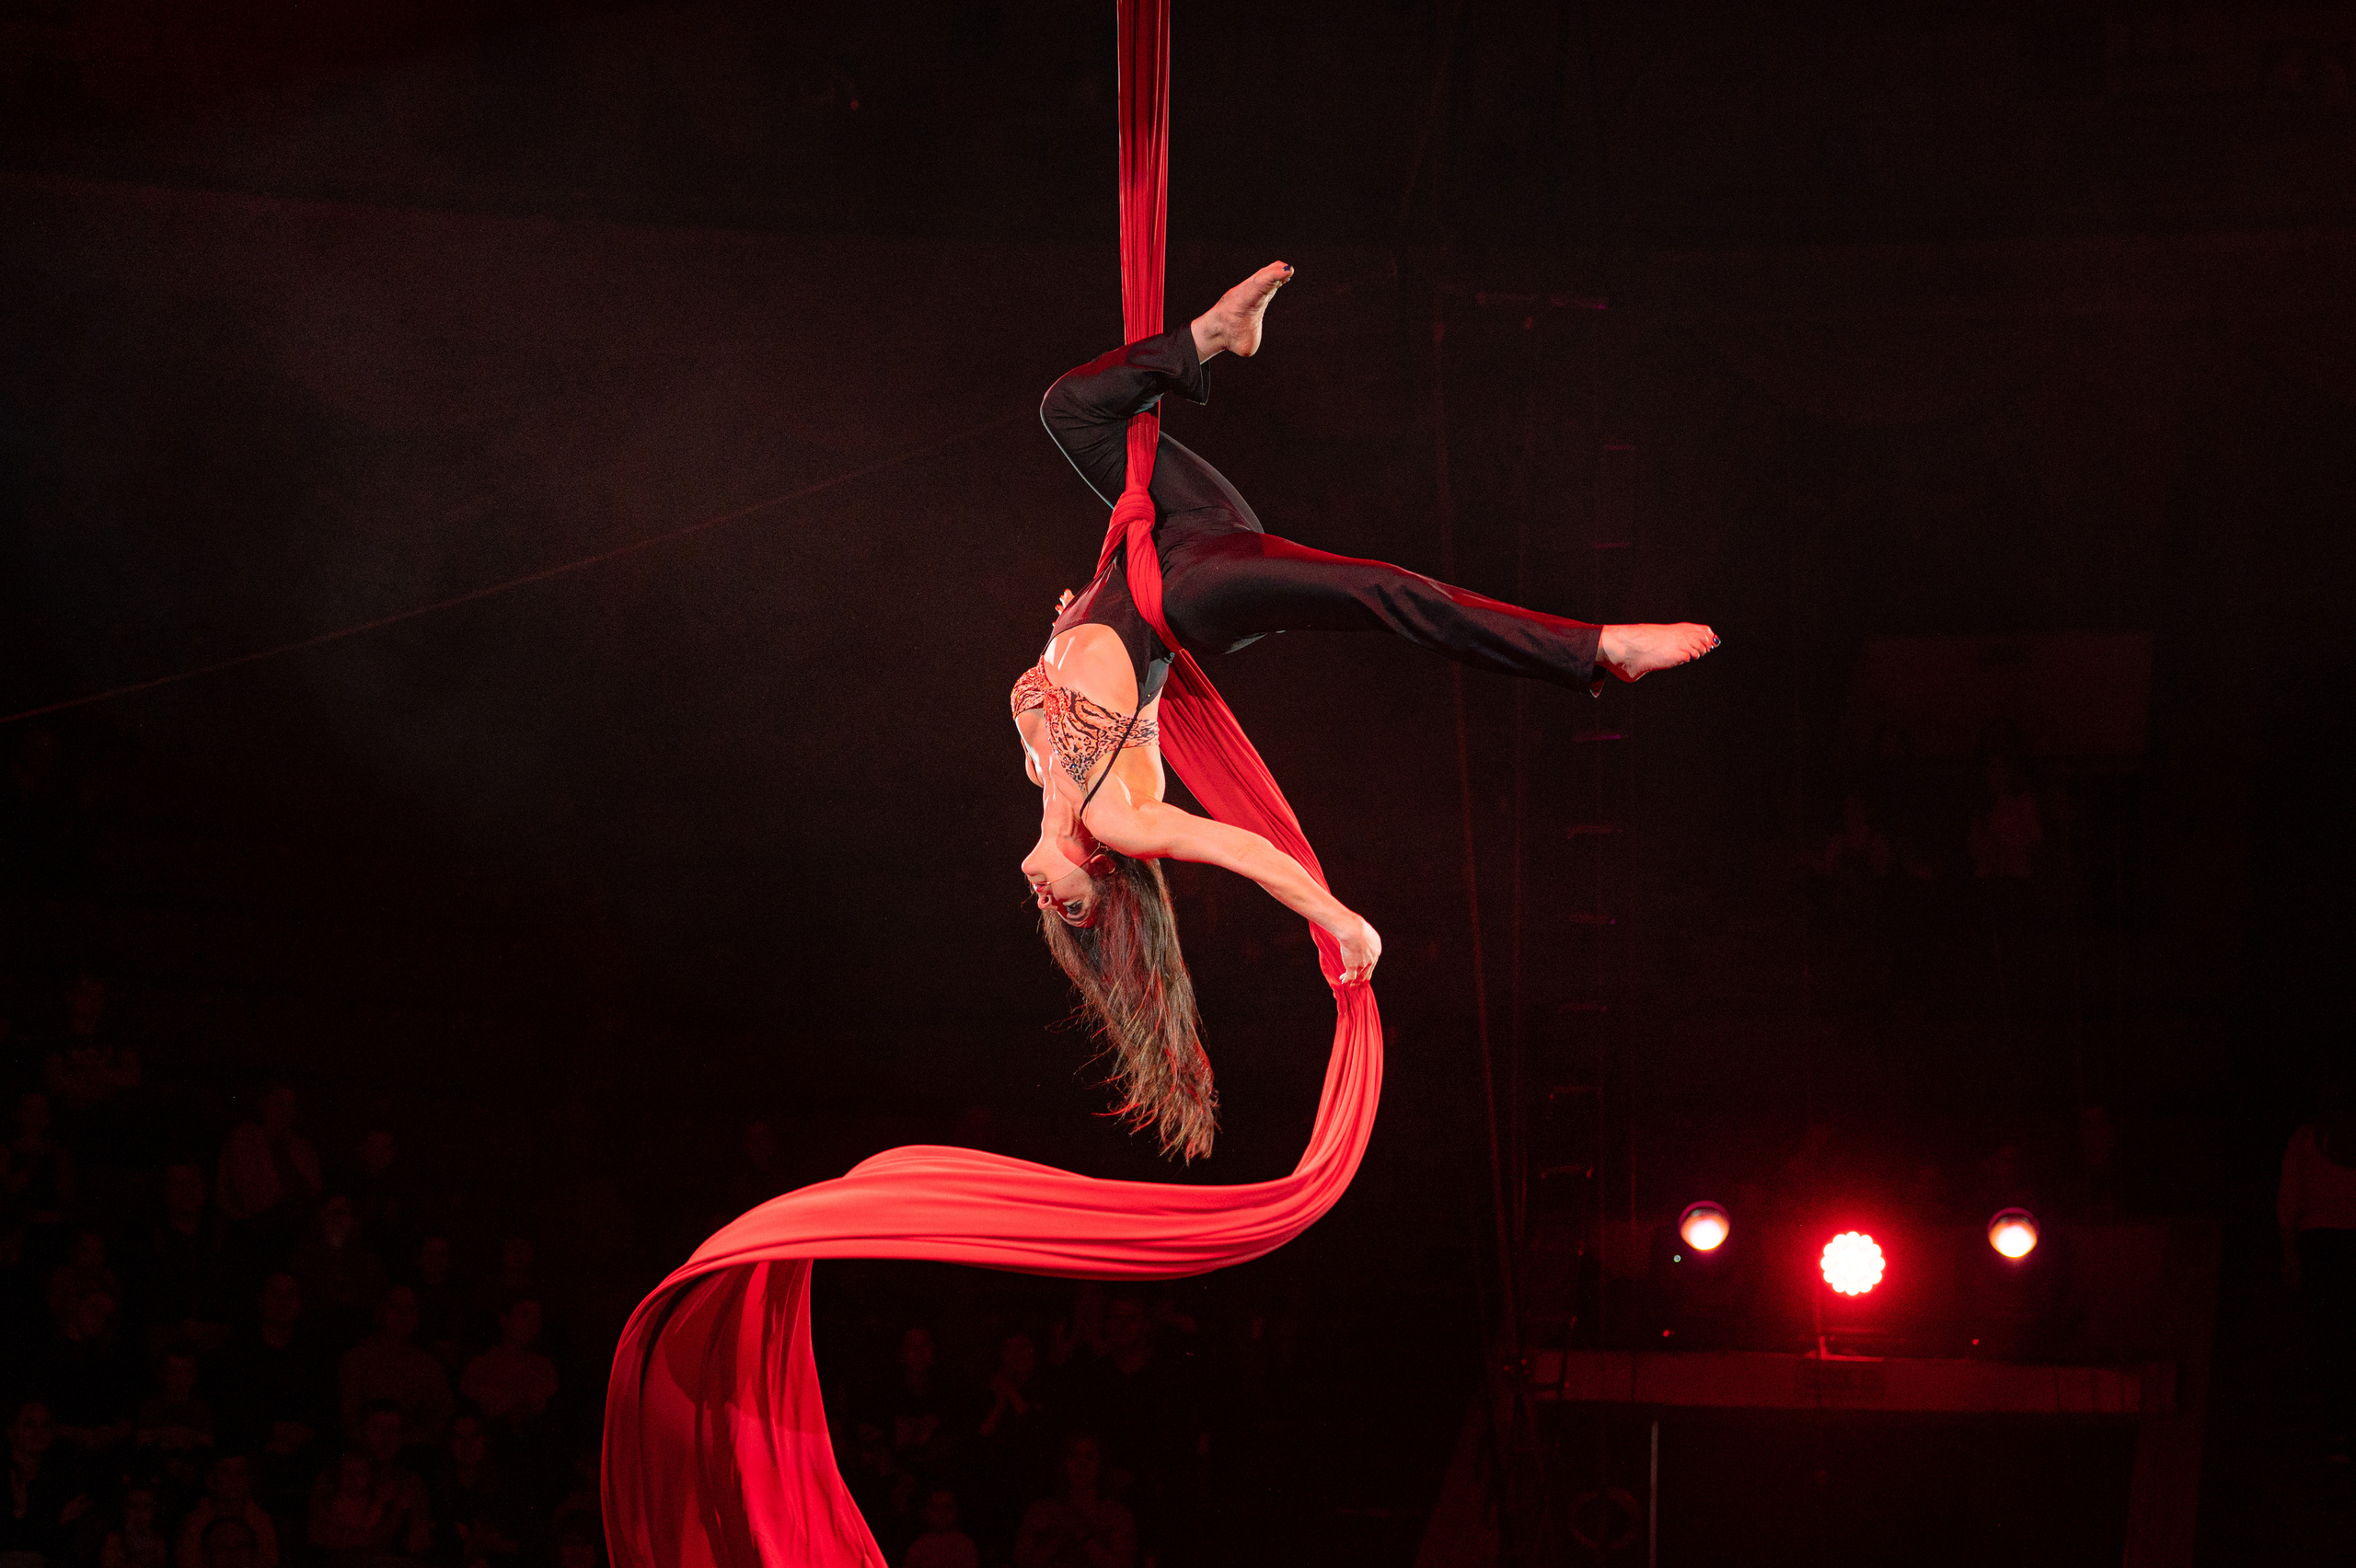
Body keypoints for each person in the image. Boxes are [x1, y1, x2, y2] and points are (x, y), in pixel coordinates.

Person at [1014, 263, 1715, 1159]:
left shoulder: (1042, 762)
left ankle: (1212, 338)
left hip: (1167, 526)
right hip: (1186, 589)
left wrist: (1051, 659)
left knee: (1067, 410)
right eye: (1075, 911)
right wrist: (1337, 918)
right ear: (1106, 883)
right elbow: (1242, 846)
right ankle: (1596, 649)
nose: (1047, 897)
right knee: (1381, 589)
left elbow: (1053, 692)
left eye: (1051, 912)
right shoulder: (1123, 816)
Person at [2279, 1071, 2356, 1463]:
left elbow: (2289, 1198)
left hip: (2320, 1244)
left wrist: (2289, 1248)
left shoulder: (2306, 1140)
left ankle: (2338, 1429)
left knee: (2331, 1337)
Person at [1013, 1434, 1134, 1568]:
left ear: (1101, 1463)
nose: (1081, 1465)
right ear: (1063, 1462)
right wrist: (1057, 1539)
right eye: (1074, 1456)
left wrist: (1084, 1537)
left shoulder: (1117, 1514)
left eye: (1090, 1457)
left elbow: (1124, 1564)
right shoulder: (1042, 1511)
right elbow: (1021, 1562)